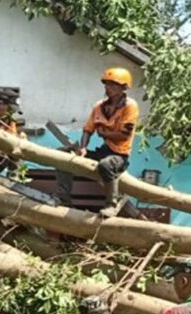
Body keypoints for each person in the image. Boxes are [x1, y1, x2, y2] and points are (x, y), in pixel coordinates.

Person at [56, 67, 138, 213]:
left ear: (123, 88)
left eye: (113, 85)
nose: (109, 88)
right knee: (63, 154)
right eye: (107, 84)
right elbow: (88, 130)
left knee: (106, 165)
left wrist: (104, 134)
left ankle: (111, 205)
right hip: (104, 151)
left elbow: (124, 135)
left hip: (119, 155)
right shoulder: (99, 106)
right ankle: (63, 198)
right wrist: (83, 148)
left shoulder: (130, 106)